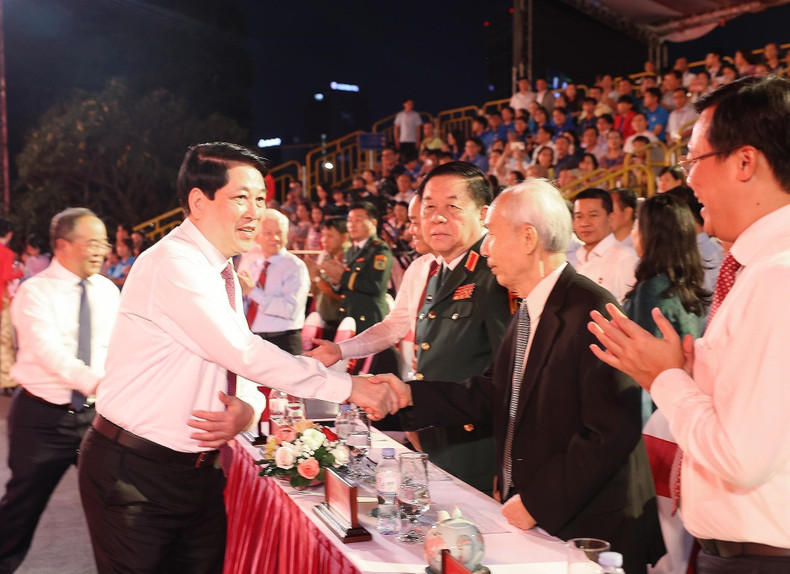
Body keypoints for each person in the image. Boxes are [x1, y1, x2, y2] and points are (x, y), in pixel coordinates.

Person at [78, 142, 398, 574]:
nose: (255, 211)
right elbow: (241, 350)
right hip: (136, 473)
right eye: (241, 197)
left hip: (197, 474)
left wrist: (250, 410)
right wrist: (350, 387)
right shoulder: (174, 263)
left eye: (261, 199)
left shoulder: (221, 269)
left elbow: (235, 362)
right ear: (198, 201)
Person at [375, 180, 664, 573]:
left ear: (528, 238)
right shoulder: (531, 307)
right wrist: (407, 396)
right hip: (545, 511)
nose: (486, 247)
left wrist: (536, 501)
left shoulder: (591, 308)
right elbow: (493, 392)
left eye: (492, 234)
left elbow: (611, 430)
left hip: (593, 527)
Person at [588, 76, 790, 574]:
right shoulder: (758, 268)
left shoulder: (776, 275)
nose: (688, 181)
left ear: (745, 162)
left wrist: (664, 378)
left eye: (694, 161)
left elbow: (740, 456)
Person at [0, 208, 120, 573]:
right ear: (64, 245)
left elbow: (120, 346)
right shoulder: (34, 291)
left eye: (105, 243)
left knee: (117, 504)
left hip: (98, 418)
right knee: (22, 506)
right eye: (93, 242)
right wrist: (100, 383)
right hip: (42, 419)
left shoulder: (108, 290)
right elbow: (50, 352)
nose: (102, 250)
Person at [411, 161, 512, 494]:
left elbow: (510, 378)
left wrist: (504, 464)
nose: (437, 218)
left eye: (452, 207)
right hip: (439, 441)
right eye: (429, 208)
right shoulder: (440, 271)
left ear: (483, 214)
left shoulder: (496, 274)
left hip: (478, 450)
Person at [624, 194, 709, 425]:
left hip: (658, 409)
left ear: (652, 234)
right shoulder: (684, 283)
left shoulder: (653, 287)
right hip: (683, 400)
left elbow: (643, 360)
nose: (633, 234)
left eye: (637, 226)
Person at [237, 209, 309, 355]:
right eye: (268, 233)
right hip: (252, 339)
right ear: (258, 236)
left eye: (280, 233)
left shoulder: (295, 266)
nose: (275, 238)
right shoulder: (251, 263)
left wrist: (252, 291)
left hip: (282, 341)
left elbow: (289, 309)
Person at [569, 188, 637, 303]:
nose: (585, 223)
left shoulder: (626, 258)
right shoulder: (573, 257)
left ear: (610, 218)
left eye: (593, 215)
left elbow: (630, 312)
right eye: (579, 217)